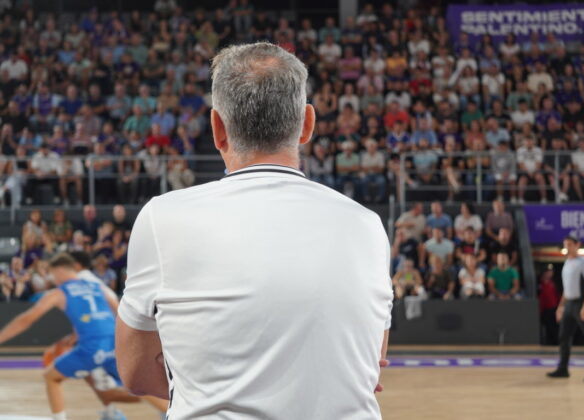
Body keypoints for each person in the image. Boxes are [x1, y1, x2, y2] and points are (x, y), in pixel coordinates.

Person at [116, 42, 393, 419]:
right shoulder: (366, 224)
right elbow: (370, 364)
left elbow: (135, 372)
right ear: (307, 124)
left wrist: (215, 383)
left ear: (217, 128)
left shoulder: (162, 217)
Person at [0, 253, 124, 420]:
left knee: (52, 376)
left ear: (60, 270)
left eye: (51, 273)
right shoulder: (95, 284)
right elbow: (112, 310)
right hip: (112, 340)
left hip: (94, 345)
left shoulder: (63, 290)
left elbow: (27, 319)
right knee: (137, 387)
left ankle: (104, 407)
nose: (51, 278)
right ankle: (114, 409)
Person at [548, 235, 584, 382]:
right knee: (564, 337)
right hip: (569, 305)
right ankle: (563, 369)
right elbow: (567, 289)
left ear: (578, 245)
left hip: (581, 303)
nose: (567, 247)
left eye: (570, 244)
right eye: (565, 244)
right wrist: (560, 306)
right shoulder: (567, 263)